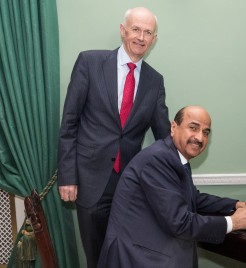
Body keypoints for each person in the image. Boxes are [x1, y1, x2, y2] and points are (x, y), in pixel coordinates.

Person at [57, 7, 171, 268]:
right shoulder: (89, 62)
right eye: (135, 29)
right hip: (90, 181)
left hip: (131, 186)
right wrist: (67, 176)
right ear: (123, 30)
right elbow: (69, 124)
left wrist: (183, 155)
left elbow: (164, 137)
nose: (141, 37)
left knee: (126, 257)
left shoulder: (155, 81)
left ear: (154, 39)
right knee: (97, 258)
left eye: (148, 32)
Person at [97, 106, 246, 268]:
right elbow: (179, 223)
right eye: (193, 128)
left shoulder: (175, 156)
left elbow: (193, 198)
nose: (200, 137)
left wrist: (237, 205)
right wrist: (233, 222)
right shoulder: (157, 160)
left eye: (206, 132)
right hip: (136, 257)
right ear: (174, 127)